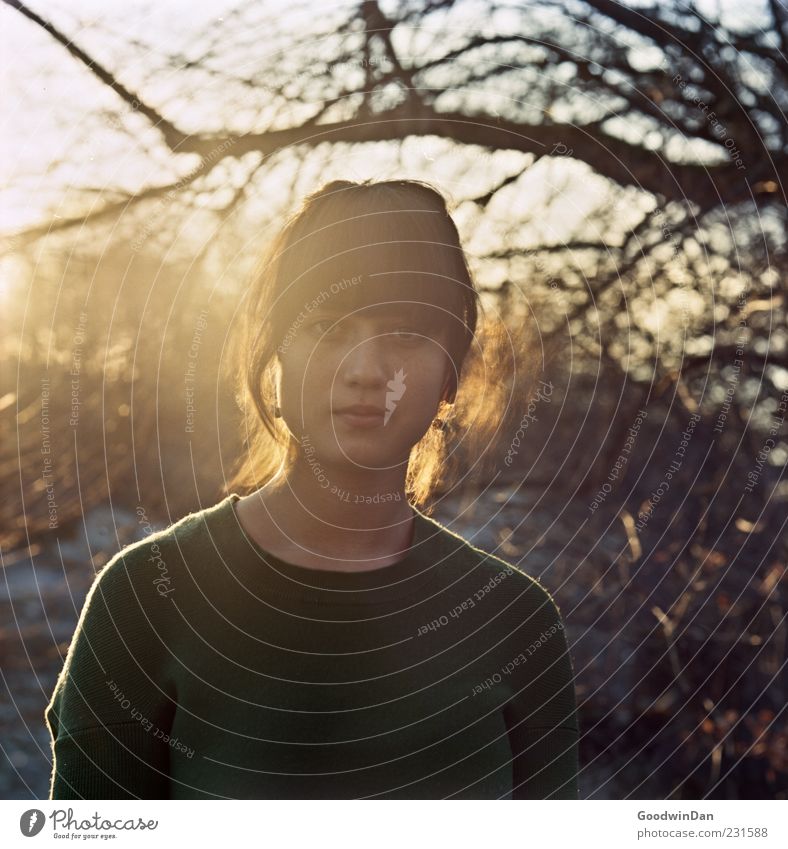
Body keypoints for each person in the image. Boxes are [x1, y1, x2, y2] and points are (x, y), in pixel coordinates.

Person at [45, 178, 579, 799]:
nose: (365, 371)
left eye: (407, 334)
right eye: (326, 326)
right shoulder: (146, 598)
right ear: (276, 355)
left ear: (450, 375)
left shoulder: (513, 619)